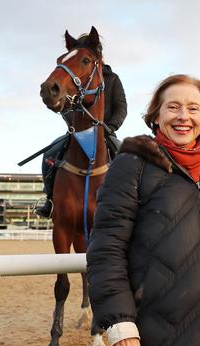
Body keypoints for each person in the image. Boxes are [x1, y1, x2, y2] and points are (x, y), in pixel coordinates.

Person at [86, 74, 200, 346]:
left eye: (193, 108)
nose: (183, 116)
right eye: (173, 107)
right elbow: (105, 249)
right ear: (156, 115)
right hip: (159, 343)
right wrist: (120, 326)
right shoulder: (131, 166)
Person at [35, 34, 127, 218]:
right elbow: (65, 105)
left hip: (106, 132)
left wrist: (109, 127)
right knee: (50, 153)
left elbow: (121, 107)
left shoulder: (113, 78)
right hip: (78, 132)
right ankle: (50, 199)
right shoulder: (74, 77)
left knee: (126, 160)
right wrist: (73, 123)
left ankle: (127, 204)